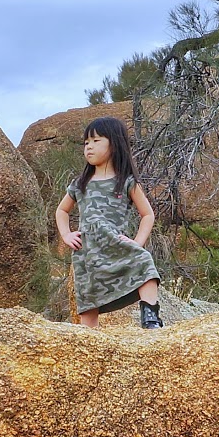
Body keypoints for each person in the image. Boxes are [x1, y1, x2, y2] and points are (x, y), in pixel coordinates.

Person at [55, 116, 162, 330]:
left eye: (96, 141)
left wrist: (137, 242)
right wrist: (66, 235)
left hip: (115, 245)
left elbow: (147, 214)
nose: (89, 147)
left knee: (143, 262)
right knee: (88, 297)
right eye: (86, 143)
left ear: (114, 143)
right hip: (88, 252)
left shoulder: (127, 182)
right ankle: (89, 340)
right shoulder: (80, 184)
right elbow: (61, 210)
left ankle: (151, 318)